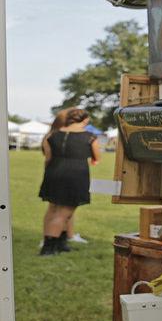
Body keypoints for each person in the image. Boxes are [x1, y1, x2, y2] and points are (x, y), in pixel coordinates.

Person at [38, 108, 100, 255]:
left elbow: (48, 157)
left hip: (53, 173)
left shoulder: (52, 135)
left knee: (53, 210)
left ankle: (60, 243)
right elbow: (96, 157)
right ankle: (49, 248)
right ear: (84, 120)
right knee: (64, 213)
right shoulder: (89, 137)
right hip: (75, 175)